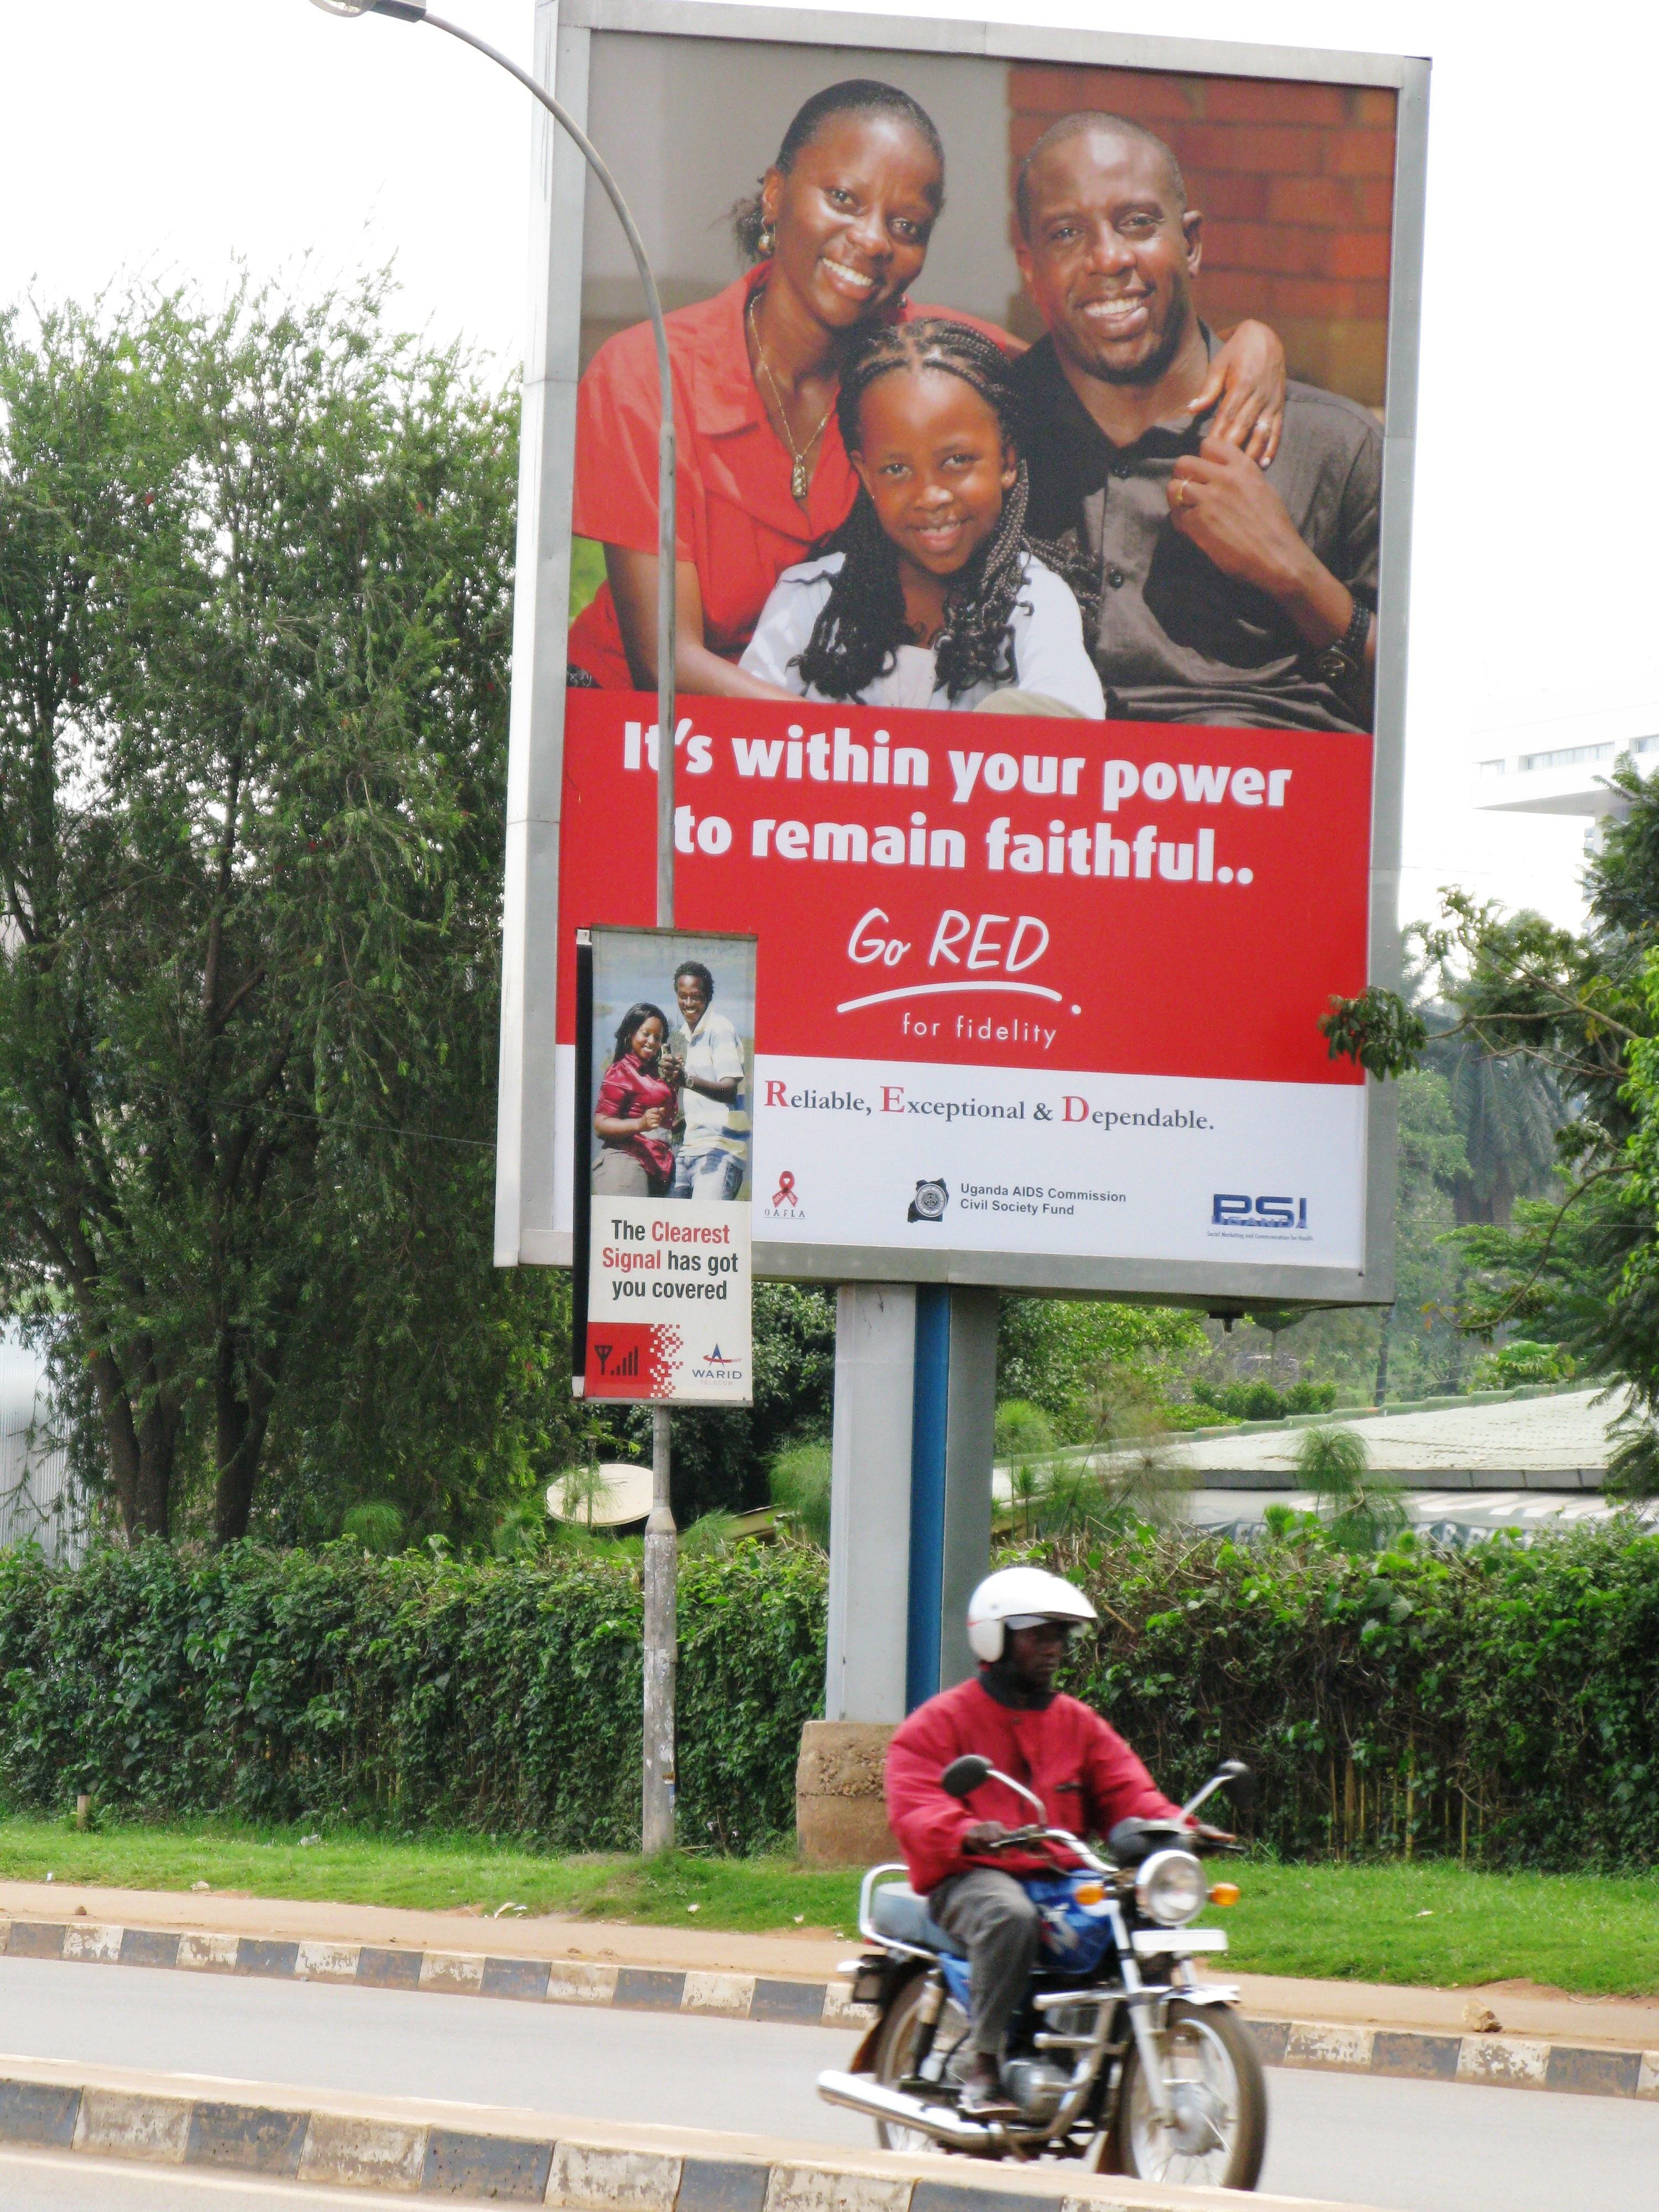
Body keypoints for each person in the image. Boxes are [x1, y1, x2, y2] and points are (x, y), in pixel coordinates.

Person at [567, 80, 1290, 695]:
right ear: (777, 193)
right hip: (650, 737)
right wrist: (873, 757)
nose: (875, 239)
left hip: (829, 745)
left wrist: (1253, 343)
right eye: (844, 198)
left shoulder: (927, 364)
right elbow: (666, 662)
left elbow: (1097, 350)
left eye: (906, 223)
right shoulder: (646, 373)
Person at [1010, 111, 1383, 734]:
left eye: (1136, 223)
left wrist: (1297, 578)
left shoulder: (1334, 447)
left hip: (1263, 809)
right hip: (1042, 820)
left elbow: (1429, 731)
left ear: (1192, 244)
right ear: (1029, 265)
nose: (1107, 257)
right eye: (1067, 233)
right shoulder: (984, 436)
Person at [884, 1566, 1185, 2120]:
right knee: (1009, 1915)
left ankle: (1110, 2063)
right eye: (1037, 1635)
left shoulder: (1078, 1722)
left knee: (1136, 1912)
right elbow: (915, 1800)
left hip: (1060, 1871)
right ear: (994, 1639)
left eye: (1059, 1637)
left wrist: (1176, 1829)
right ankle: (986, 2062)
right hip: (969, 1874)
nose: (1052, 1649)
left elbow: (1127, 1788)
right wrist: (965, 1828)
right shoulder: (941, 1721)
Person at [740, 319, 1103, 715]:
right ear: (865, 475)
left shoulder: (1036, 604)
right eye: (897, 469)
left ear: (1007, 460)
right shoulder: (807, 599)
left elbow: (1068, 733)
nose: (930, 497)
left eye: (957, 461)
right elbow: (745, 745)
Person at [660, 962, 747, 1200]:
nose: (688, 1004)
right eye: (683, 997)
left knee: (707, 1229)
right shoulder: (691, 1035)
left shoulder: (719, 1029)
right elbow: (712, 1103)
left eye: (696, 997)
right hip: (689, 1150)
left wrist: (686, 1080)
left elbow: (729, 1090)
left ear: (708, 997)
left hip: (719, 1151)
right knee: (674, 1231)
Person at [591, 1003, 677, 1196]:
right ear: (631, 1034)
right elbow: (600, 1125)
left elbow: (656, 1125)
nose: (652, 1042)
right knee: (627, 1225)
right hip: (625, 1164)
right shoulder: (621, 1071)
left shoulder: (653, 1074)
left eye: (658, 1038)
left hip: (656, 1167)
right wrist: (640, 1123)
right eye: (646, 1034)